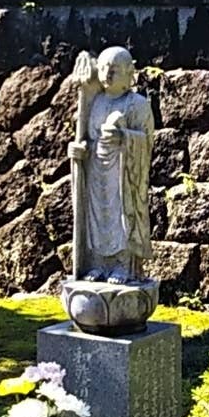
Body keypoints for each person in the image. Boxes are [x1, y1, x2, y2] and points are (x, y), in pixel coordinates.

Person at [70, 47, 154, 282]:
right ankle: (98, 263)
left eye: (115, 70)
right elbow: (87, 140)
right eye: (105, 68)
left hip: (123, 172)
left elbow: (147, 142)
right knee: (97, 216)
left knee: (121, 215)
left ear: (129, 73)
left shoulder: (136, 104)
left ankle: (122, 265)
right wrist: (78, 151)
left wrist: (124, 137)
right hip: (97, 169)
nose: (108, 74)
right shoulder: (94, 102)